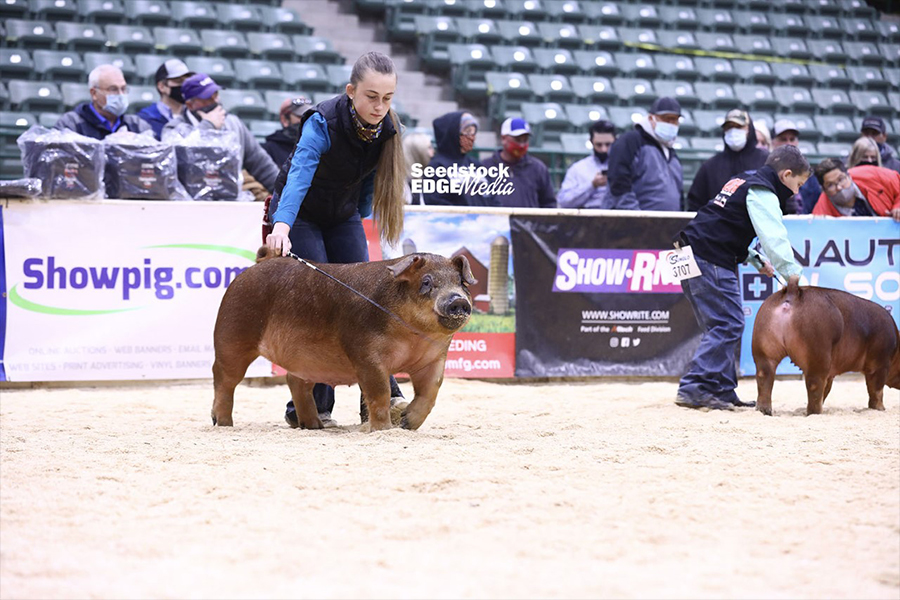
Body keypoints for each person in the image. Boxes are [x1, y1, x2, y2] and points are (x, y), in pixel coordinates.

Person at [264, 52, 408, 428]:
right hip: (302, 215)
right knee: (321, 303)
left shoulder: (388, 130)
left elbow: (367, 186)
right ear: (351, 91)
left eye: (388, 98)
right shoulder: (322, 121)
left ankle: (381, 399)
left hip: (342, 214)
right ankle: (308, 408)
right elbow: (298, 176)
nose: (380, 106)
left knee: (367, 300)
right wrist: (282, 225)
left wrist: (355, 220)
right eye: (371, 96)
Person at [674, 145, 811, 410]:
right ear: (786, 175)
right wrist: (792, 274)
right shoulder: (763, 191)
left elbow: (722, 223)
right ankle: (694, 387)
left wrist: (755, 260)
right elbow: (773, 236)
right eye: (799, 184)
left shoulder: (744, 179)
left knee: (720, 326)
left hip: (690, 253)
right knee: (728, 323)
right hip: (709, 257)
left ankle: (720, 390)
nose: (797, 192)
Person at [163, 73, 280, 195]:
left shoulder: (234, 124)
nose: (215, 101)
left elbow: (261, 164)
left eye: (216, 95)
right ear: (190, 105)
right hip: (190, 202)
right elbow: (180, 163)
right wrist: (207, 126)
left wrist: (286, 194)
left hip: (231, 200)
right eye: (207, 98)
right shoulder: (174, 128)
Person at [607, 96, 683, 211]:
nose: (671, 124)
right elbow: (619, 182)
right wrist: (635, 218)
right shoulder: (631, 141)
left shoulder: (670, 152)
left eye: (675, 120)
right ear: (651, 118)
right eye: (666, 119)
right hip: (634, 225)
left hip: (668, 225)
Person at [687, 109, 768, 211]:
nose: (733, 131)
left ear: (750, 129)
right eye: (729, 127)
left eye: (739, 127)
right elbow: (695, 205)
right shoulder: (710, 167)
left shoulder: (766, 161)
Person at [55, 64, 151, 140]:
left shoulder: (137, 126)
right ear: (94, 93)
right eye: (113, 89)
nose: (121, 95)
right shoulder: (71, 124)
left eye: (123, 89)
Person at [481, 117, 556, 209]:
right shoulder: (485, 167)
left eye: (525, 140)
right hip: (495, 222)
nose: (521, 145)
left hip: (530, 223)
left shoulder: (538, 168)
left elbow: (549, 204)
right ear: (504, 138)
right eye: (517, 139)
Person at [422, 111, 493, 206]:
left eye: (473, 132)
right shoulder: (436, 168)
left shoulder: (476, 165)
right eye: (467, 132)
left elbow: (494, 198)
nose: (472, 137)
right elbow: (436, 203)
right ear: (453, 134)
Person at [811, 158, 900, 221]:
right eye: (830, 185)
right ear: (824, 190)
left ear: (849, 176)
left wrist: (898, 206)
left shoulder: (874, 176)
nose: (839, 187)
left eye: (841, 179)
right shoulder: (820, 216)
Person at [557, 119, 616, 209]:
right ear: (591, 142)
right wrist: (592, 185)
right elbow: (564, 201)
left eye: (608, 144)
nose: (604, 149)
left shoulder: (627, 167)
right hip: (586, 218)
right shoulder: (578, 169)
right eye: (599, 145)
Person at [137, 59, 194, 140]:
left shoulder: (194, 115)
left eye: (187, 81)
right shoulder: (145, 118)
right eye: (178, 81)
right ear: (161, 86)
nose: (184, 85)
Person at [772, 118, 814, 214]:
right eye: (783, 139)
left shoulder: (808, 172)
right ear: (772, 142)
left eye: (792, 139)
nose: (788, 143)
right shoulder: (766, 170)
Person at [262, 96, 314, 169]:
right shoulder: (268, 149)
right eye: (300, 116)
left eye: (310, 116)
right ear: (285, 119)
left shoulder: (316, 147)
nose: (306, 120)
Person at [402, 132, 434, 204]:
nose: (432, 152)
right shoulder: (402, 187)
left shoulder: (422, 180)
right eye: (429, 148)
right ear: (418, 152)